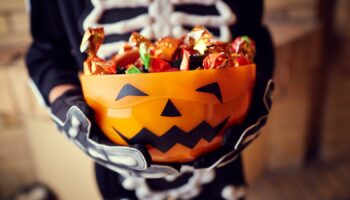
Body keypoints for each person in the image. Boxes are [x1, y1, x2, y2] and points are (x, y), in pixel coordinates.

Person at [25, 0, 274, 199]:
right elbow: (46, 55)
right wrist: (69, 110)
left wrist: (256, 95)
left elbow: (255, 36)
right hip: (119, 164)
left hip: (220, 154)